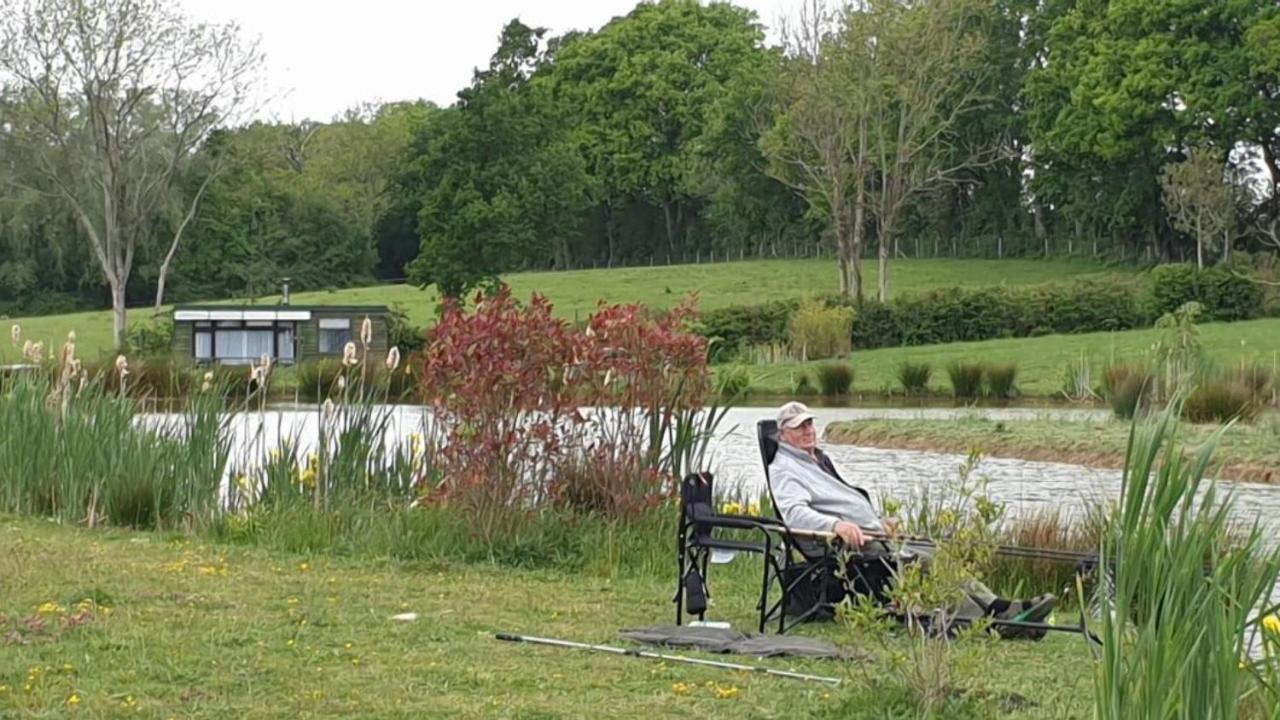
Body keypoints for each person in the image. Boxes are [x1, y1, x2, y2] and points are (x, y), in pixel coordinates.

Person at [768, 401, 1055, 635]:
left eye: (809, 423)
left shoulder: (815, 458)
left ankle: (998, 606)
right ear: (783, 434)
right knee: (922, 560)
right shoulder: (785, 469)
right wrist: (837, 526)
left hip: (874, 534)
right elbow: (794, 515)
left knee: (933, 548)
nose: (808, 430)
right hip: (845, 546)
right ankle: (985, 623)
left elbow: (840, 502)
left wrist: (879, 521)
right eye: (799, 427)